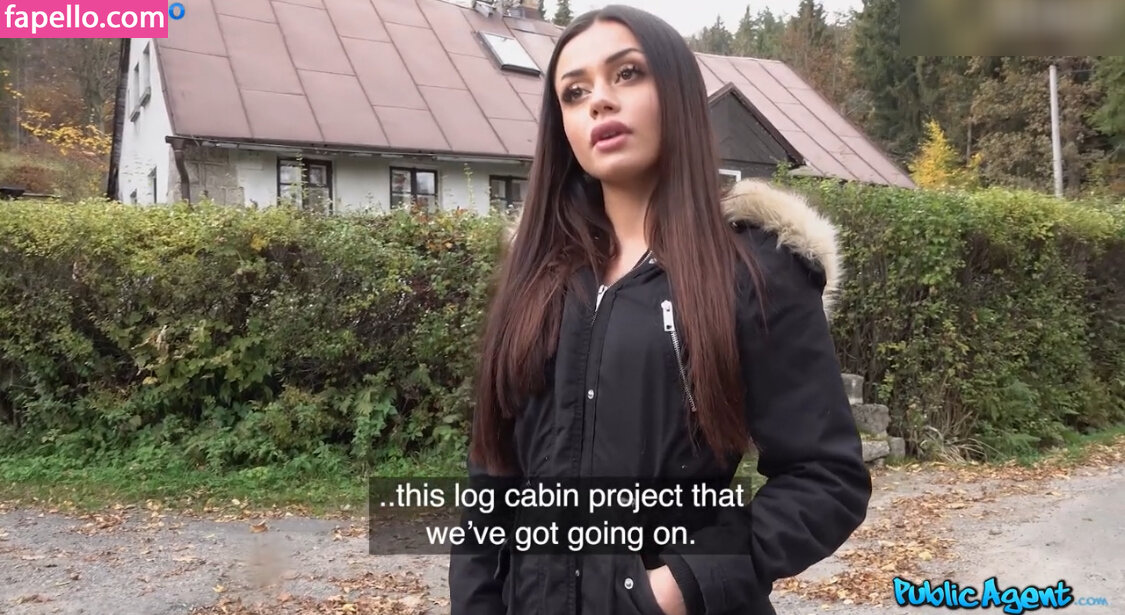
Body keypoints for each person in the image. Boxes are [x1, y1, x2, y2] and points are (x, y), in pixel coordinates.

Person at [449, 5, 871, 614]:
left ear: (676, 92)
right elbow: (491, 477)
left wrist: (680, 585)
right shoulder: (536, 278)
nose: (599, 101)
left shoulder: (755, 269)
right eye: (574, 92)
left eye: (627, 74)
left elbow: (825, 478)